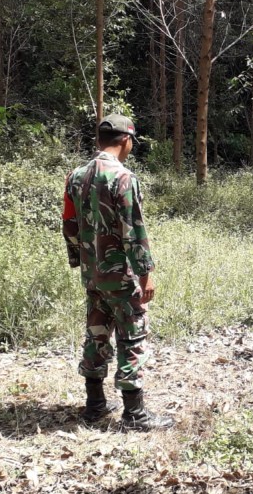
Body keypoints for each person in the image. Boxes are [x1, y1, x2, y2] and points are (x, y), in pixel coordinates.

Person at [62, 113, 174, 430]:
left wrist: (80, 260)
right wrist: (145, 274)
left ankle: (95, 404)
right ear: (126, 140)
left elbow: (69, 223)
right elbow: (133, 229)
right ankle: (134, 414)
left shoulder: (75, 176)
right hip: (121, 276)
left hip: (93, 274)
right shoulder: (123, 178)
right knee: (132, 336)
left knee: (96, 333)